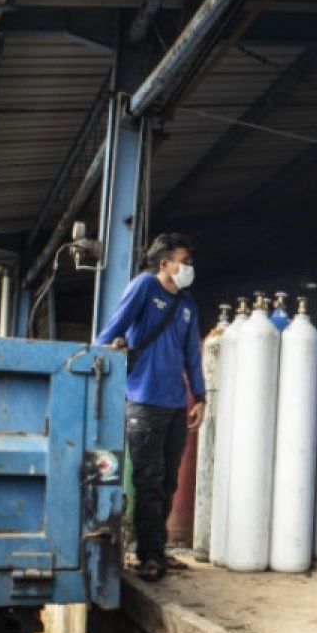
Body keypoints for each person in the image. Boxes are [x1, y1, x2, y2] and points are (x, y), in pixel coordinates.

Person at [97, 233, 206, 582]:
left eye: (189, 262)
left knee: (168, 481)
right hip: (143, 403)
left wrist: (200, 397)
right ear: (164, 264)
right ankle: (148, 556)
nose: (189, 267)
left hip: (176, 404)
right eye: (183, 261)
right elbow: (109, 332)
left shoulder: (187, 304)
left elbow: (192, 354)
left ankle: (155, 548)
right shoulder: (144, 287)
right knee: (148, 482)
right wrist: (109, 349)